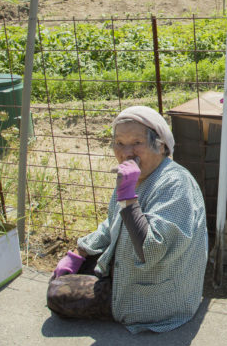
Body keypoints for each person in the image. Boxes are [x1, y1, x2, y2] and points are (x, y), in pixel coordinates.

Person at [46, 106, 207, 333]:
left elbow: (150, 250)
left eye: (136, 143)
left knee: (56, 294)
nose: (126, 152)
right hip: (131, 264)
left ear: (160, 146)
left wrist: (128, 197)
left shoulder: (175, 184)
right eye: (119, 143)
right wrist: (79, 252)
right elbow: (114, 221)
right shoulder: (136, 174)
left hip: (155, 292)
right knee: (77, 269)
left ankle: (124, 306)